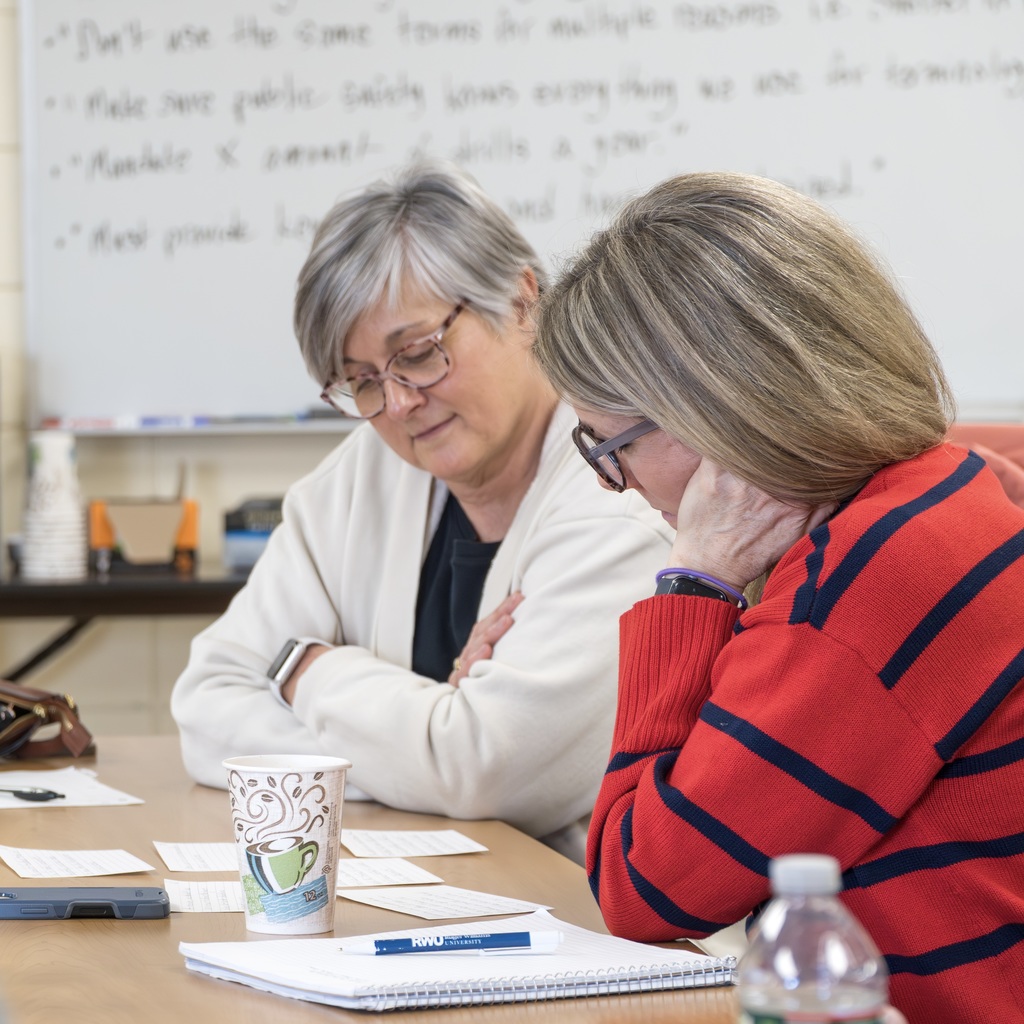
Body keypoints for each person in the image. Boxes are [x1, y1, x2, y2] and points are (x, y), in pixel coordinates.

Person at [532, 171, 1024, 1021]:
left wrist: (693, 583)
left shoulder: (864, 590)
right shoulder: (960, 490)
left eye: (609, 446)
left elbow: (641, 886)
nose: (612, 484)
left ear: (711, 411)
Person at [171, 162, 671, 862]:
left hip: (589, 936)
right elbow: (206, 708)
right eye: (362, 381)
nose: (400, 402)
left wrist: (308, 670)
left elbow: (490, 768)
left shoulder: (623, 492)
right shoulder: (361, 475)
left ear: (522, 302)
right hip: (405, 904)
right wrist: (428, 736)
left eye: (419, 354)